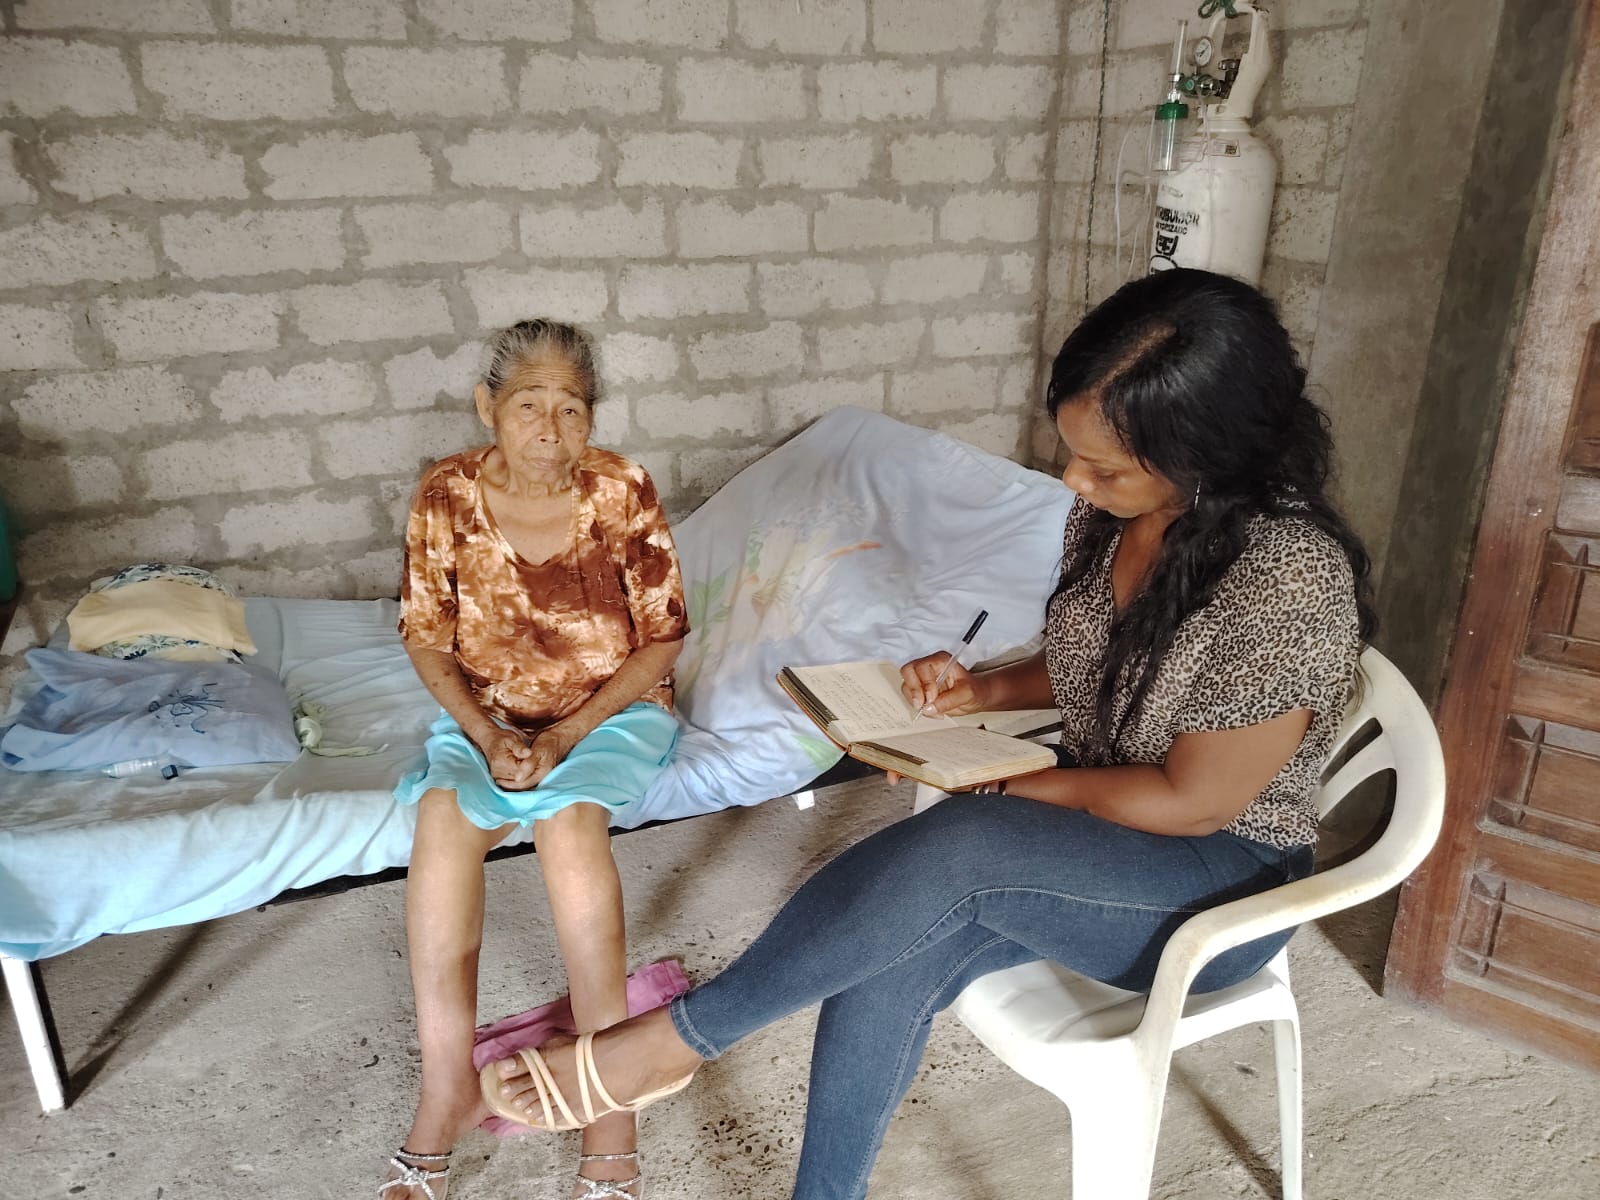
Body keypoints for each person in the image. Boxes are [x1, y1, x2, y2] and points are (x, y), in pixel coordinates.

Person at [479, 270, 1375, 1200]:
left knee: (962, 846)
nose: (1073, 482)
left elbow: (1195, 801)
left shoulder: (1286, 577)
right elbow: (1100, 659)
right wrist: (979, 689)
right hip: (1107, 814)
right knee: (891, 926)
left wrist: (1020, 786)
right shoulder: (1120, 513)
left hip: (1215, 881)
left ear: (1208, 458)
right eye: (1072, 454)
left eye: (1104, 469)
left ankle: (670, 1044)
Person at [382, 319, 690, 1200]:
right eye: (528, 405)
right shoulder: (445, 494)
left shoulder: (622, 488)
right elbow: (426, 638)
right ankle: (445, 1090)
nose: (550, 429)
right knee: (443, 819)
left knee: (567, 825)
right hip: (487, 716)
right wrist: (487, 736)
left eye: (571, 409)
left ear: (591, 418)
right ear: (488, 407)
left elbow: (663, 639)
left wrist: (563, 736)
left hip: (611, 713)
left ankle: (607, 1107)